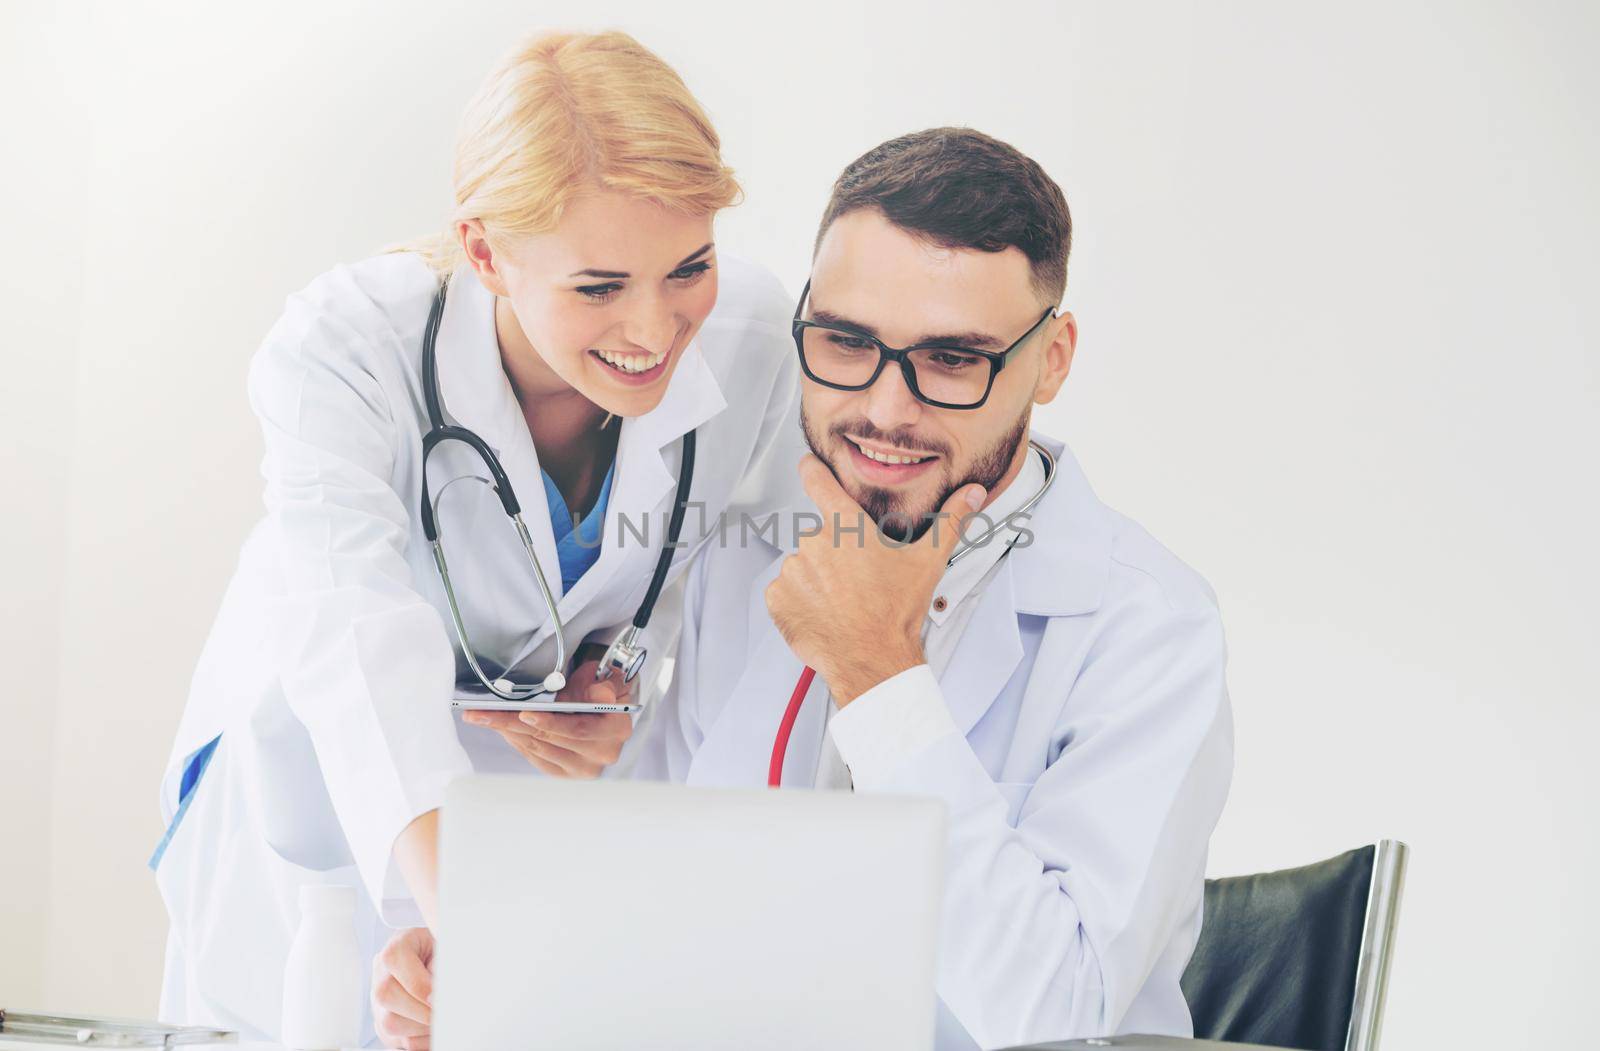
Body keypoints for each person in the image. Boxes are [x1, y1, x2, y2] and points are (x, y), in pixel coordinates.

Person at [374, 126, 1234, 1051]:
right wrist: (505, 977)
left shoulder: (1146, 628)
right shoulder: (745, 558)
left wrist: (880, 676)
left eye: (953, 360)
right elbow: (657, 902)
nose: (886, 409)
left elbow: (1056, 1015)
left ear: (1052, 358)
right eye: (846, 341)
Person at [152, 30, 798, 1044]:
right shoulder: (348, 348)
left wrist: (621, 671)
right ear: (487, 251)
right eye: (598, 286)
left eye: (689, 266)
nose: (657, 327)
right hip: (326, 790)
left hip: (536, 802)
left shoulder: (757, 340)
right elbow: (350, 630)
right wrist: (478, 929)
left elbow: (713, 576)